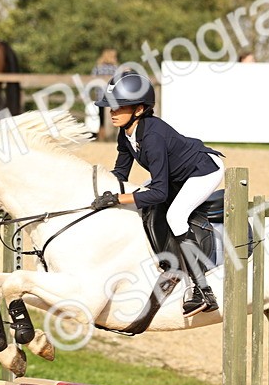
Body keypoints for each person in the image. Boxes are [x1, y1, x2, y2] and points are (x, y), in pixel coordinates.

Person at [92, 72, 225, 316]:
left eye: (119, 107)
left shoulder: (152, 136)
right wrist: (101, 191)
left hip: (203, 170)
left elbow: (160, 192)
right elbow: (120, 174)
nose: (111, 111)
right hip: (176, 175)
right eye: (110, 106)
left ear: (139, 109)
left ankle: (202, 290)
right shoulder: (126, 133)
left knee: (175, 216)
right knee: (137, 198)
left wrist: (119, 199)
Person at [90, 48, 119, 140]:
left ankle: (101, 137)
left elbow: (92, 79)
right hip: (113, 97)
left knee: (101, 119)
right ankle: (111, 137)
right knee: (114, 116)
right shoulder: (116, 68)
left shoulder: (98, 68)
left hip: (100, 96)